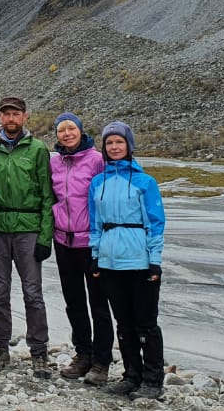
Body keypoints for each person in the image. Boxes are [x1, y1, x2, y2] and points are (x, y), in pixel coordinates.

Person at [89, 121, 166, 400]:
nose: (114, 147)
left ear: (129, 146)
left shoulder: (146, 182)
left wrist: (154, 261)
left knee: (145, 323)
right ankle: (132, 375)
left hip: (139, 261)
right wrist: (95, 257)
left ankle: (153, 378)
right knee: (123, 323)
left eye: (119, 142)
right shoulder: (98, 182)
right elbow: (95, 224)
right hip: (110, 262)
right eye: (109, 143)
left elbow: (156, 224)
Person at [0, 96, 55, 378]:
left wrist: (45, 237)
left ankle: (39, 352)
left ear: (25, 117)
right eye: (6, 114)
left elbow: (48, 196)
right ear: (0, 118)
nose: (10, 119)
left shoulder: (37, 150)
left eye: (15, 114)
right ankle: (1, 348)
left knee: (32, 293)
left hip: (28, 227)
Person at [49, 112, 111, 385]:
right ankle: (82, 354)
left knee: (99, 303)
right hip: (63, 241)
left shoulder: (97, 160)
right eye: (62, 130)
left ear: (81, 131)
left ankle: (102, 361)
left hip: (90, 242)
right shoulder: (55, 162)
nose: (67, 134)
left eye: (71, 128)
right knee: (74, 302)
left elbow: (107, 198)